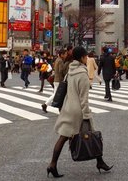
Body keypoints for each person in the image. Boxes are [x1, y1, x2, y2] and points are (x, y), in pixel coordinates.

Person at [47, 46, 113, 178]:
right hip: (78, 111)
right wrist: (87, 114)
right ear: (82, 57)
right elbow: (84, 98)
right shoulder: (82, 74)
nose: (87, 58)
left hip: (68, 107)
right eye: (86, 56)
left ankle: (52, 165)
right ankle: (100, 162)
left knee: (63, 137)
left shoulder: (70, 71)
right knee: (93, 135)